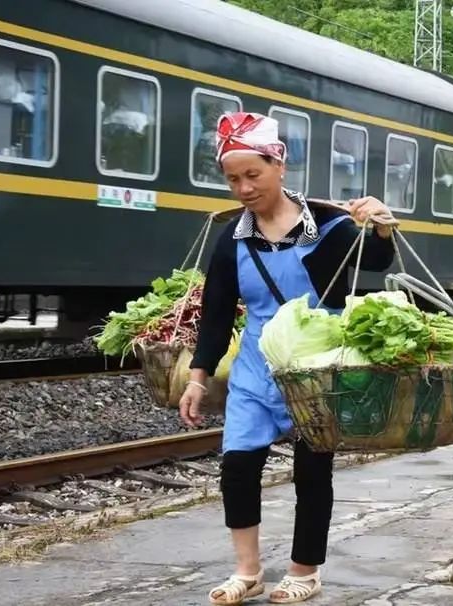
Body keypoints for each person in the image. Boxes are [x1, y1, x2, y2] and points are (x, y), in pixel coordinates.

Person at [178, 112, 396, 605]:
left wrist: (381, 226)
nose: (243, 188)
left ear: (279, 165)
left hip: (315, 368)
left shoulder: (332, 227)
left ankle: (303, 570)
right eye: (233, 179)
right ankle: (247, 571)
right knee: (238, 465)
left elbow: (379, 263)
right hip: (257, 366)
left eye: (252, 175)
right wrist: (197, 378)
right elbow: (215, 316)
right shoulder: (232, 239)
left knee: (312, 471)